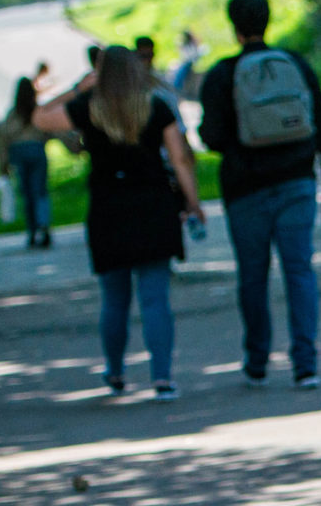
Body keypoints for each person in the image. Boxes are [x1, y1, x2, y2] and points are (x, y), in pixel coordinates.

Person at [36, 45, 204, 400]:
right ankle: (162, 377)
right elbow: (180, 158)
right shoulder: (155, 107)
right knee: (155, 298)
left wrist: (79, 88)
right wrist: (192, 202)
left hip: (108, 210)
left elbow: (40, 117)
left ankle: (115, 370)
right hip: (154, 207)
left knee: (114, 299)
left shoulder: (88, 108)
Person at [197, 0, 321, 389]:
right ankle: (306, 364)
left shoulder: (222, 75)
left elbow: (210, 136)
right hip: (297, 180)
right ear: (268, 19)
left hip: (245, 189)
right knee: (299, 271)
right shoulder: (295, 64)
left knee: (253, 275)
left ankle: (257, 361)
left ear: (233, 25)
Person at [0, 78, 54, 249]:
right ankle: (43, 224)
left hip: (19, 153)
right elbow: (49, 129)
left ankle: (33, 229)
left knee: (27, 193)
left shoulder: (14, 114)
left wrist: (2, 163)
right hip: (37, 150)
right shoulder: (38, 110)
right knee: (40, 191)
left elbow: (4, 137)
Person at [172, 28, 206, 101]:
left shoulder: (193, 44)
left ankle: (176, 88)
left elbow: (192, 56)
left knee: (181, 73)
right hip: (186, 62)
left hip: (188, 63)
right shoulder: (187, 44)